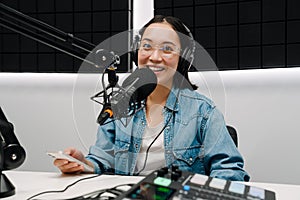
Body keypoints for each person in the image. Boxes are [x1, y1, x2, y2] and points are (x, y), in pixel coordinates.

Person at [54, 15, 250, 181]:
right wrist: (83, 163)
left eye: (167, 49)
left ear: (183, 58)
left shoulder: (203, 112)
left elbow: (230, 172)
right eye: (147, 46)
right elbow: (103, 160)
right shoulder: (120, 105)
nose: (154, 57)